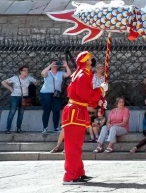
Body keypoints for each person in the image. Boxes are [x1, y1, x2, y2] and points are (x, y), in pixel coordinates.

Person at [62, 51, 107, 185]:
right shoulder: (82, 75)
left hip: (79, 110)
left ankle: (78, 173)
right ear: (85, 61)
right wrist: (100, 91)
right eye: (89, 59)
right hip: (75, 112)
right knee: (72, 146)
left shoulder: (84, 74)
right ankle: (70, 176)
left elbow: (87, 98)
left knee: (77, 145)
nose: (91, 60)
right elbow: (85, 95)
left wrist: (98, 101)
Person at [1, 65, 37, 134]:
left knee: (21, 113)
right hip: (15, 96)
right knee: (12, 112)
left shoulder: (29, 78)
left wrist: (32, 87)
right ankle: (8, 128)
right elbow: (3, 82)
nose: (26, 72)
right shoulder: (15, 78)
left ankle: (19, 128)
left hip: (25, 97)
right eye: (24, 70)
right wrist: (10, 88)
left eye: (27, 70)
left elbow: (36, 82)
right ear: (21, 71)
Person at [40, 60, 71, 133]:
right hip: (46, 93)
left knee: (56, 110)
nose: (55, 65)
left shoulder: (60, 73)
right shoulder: (48, 72)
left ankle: (56, 127)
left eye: (56, 64)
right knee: (46, 110)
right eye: (53, 64)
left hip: (57, 93)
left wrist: (66, 66)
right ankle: (45, 127)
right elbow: (42, 73)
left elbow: (69, 74)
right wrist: (50, 66)